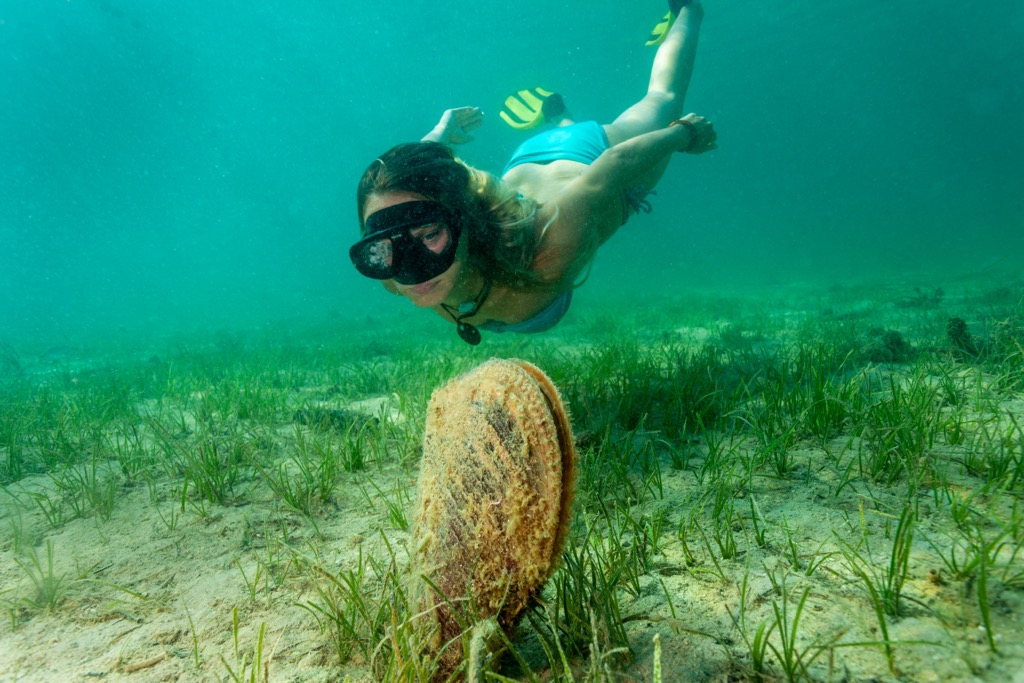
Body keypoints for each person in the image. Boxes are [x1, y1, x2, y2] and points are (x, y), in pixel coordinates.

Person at [350, 0, 716, 345]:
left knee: (662, 99)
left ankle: (689, 9)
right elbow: (411, 189)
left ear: (464, 219)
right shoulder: (394, 268)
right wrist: (438, 137)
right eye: (379, 249)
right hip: (525, 162)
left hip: (588, 153)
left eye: (429, 234)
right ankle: (560, 118)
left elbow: (611, 168)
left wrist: (683, 133)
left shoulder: (549, 244)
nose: (412, 271)